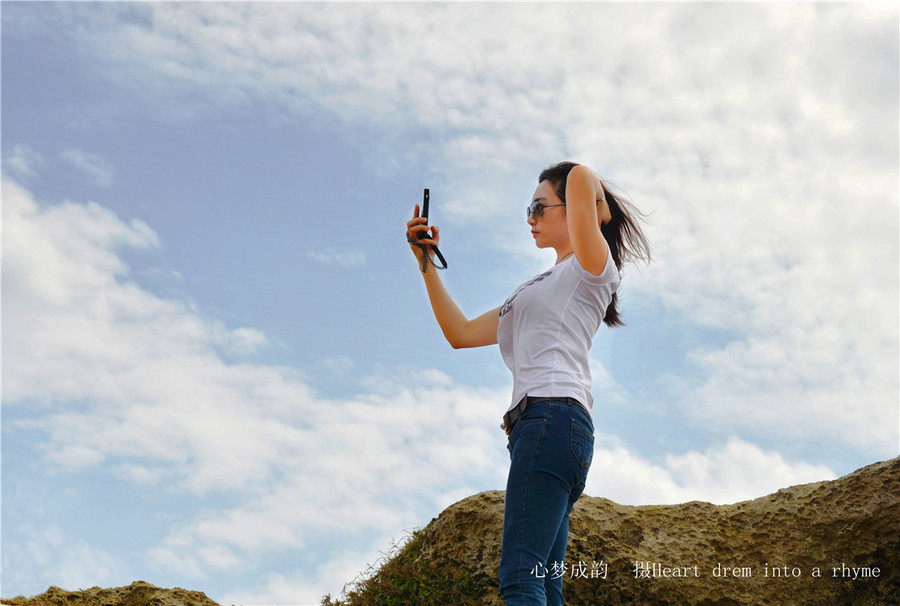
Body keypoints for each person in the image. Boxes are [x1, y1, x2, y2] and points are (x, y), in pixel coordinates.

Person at [406, 162, 650, 606]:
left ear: (575, 209)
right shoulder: (535, 287)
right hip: (548, 430)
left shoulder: (591, 268)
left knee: (520, 579)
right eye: (528, 208)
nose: (530, 218)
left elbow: (579, 176)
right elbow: (459, 333)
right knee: (543, 584)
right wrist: (426, 262)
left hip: (551, 419)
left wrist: (598, 207)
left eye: (539, 207)